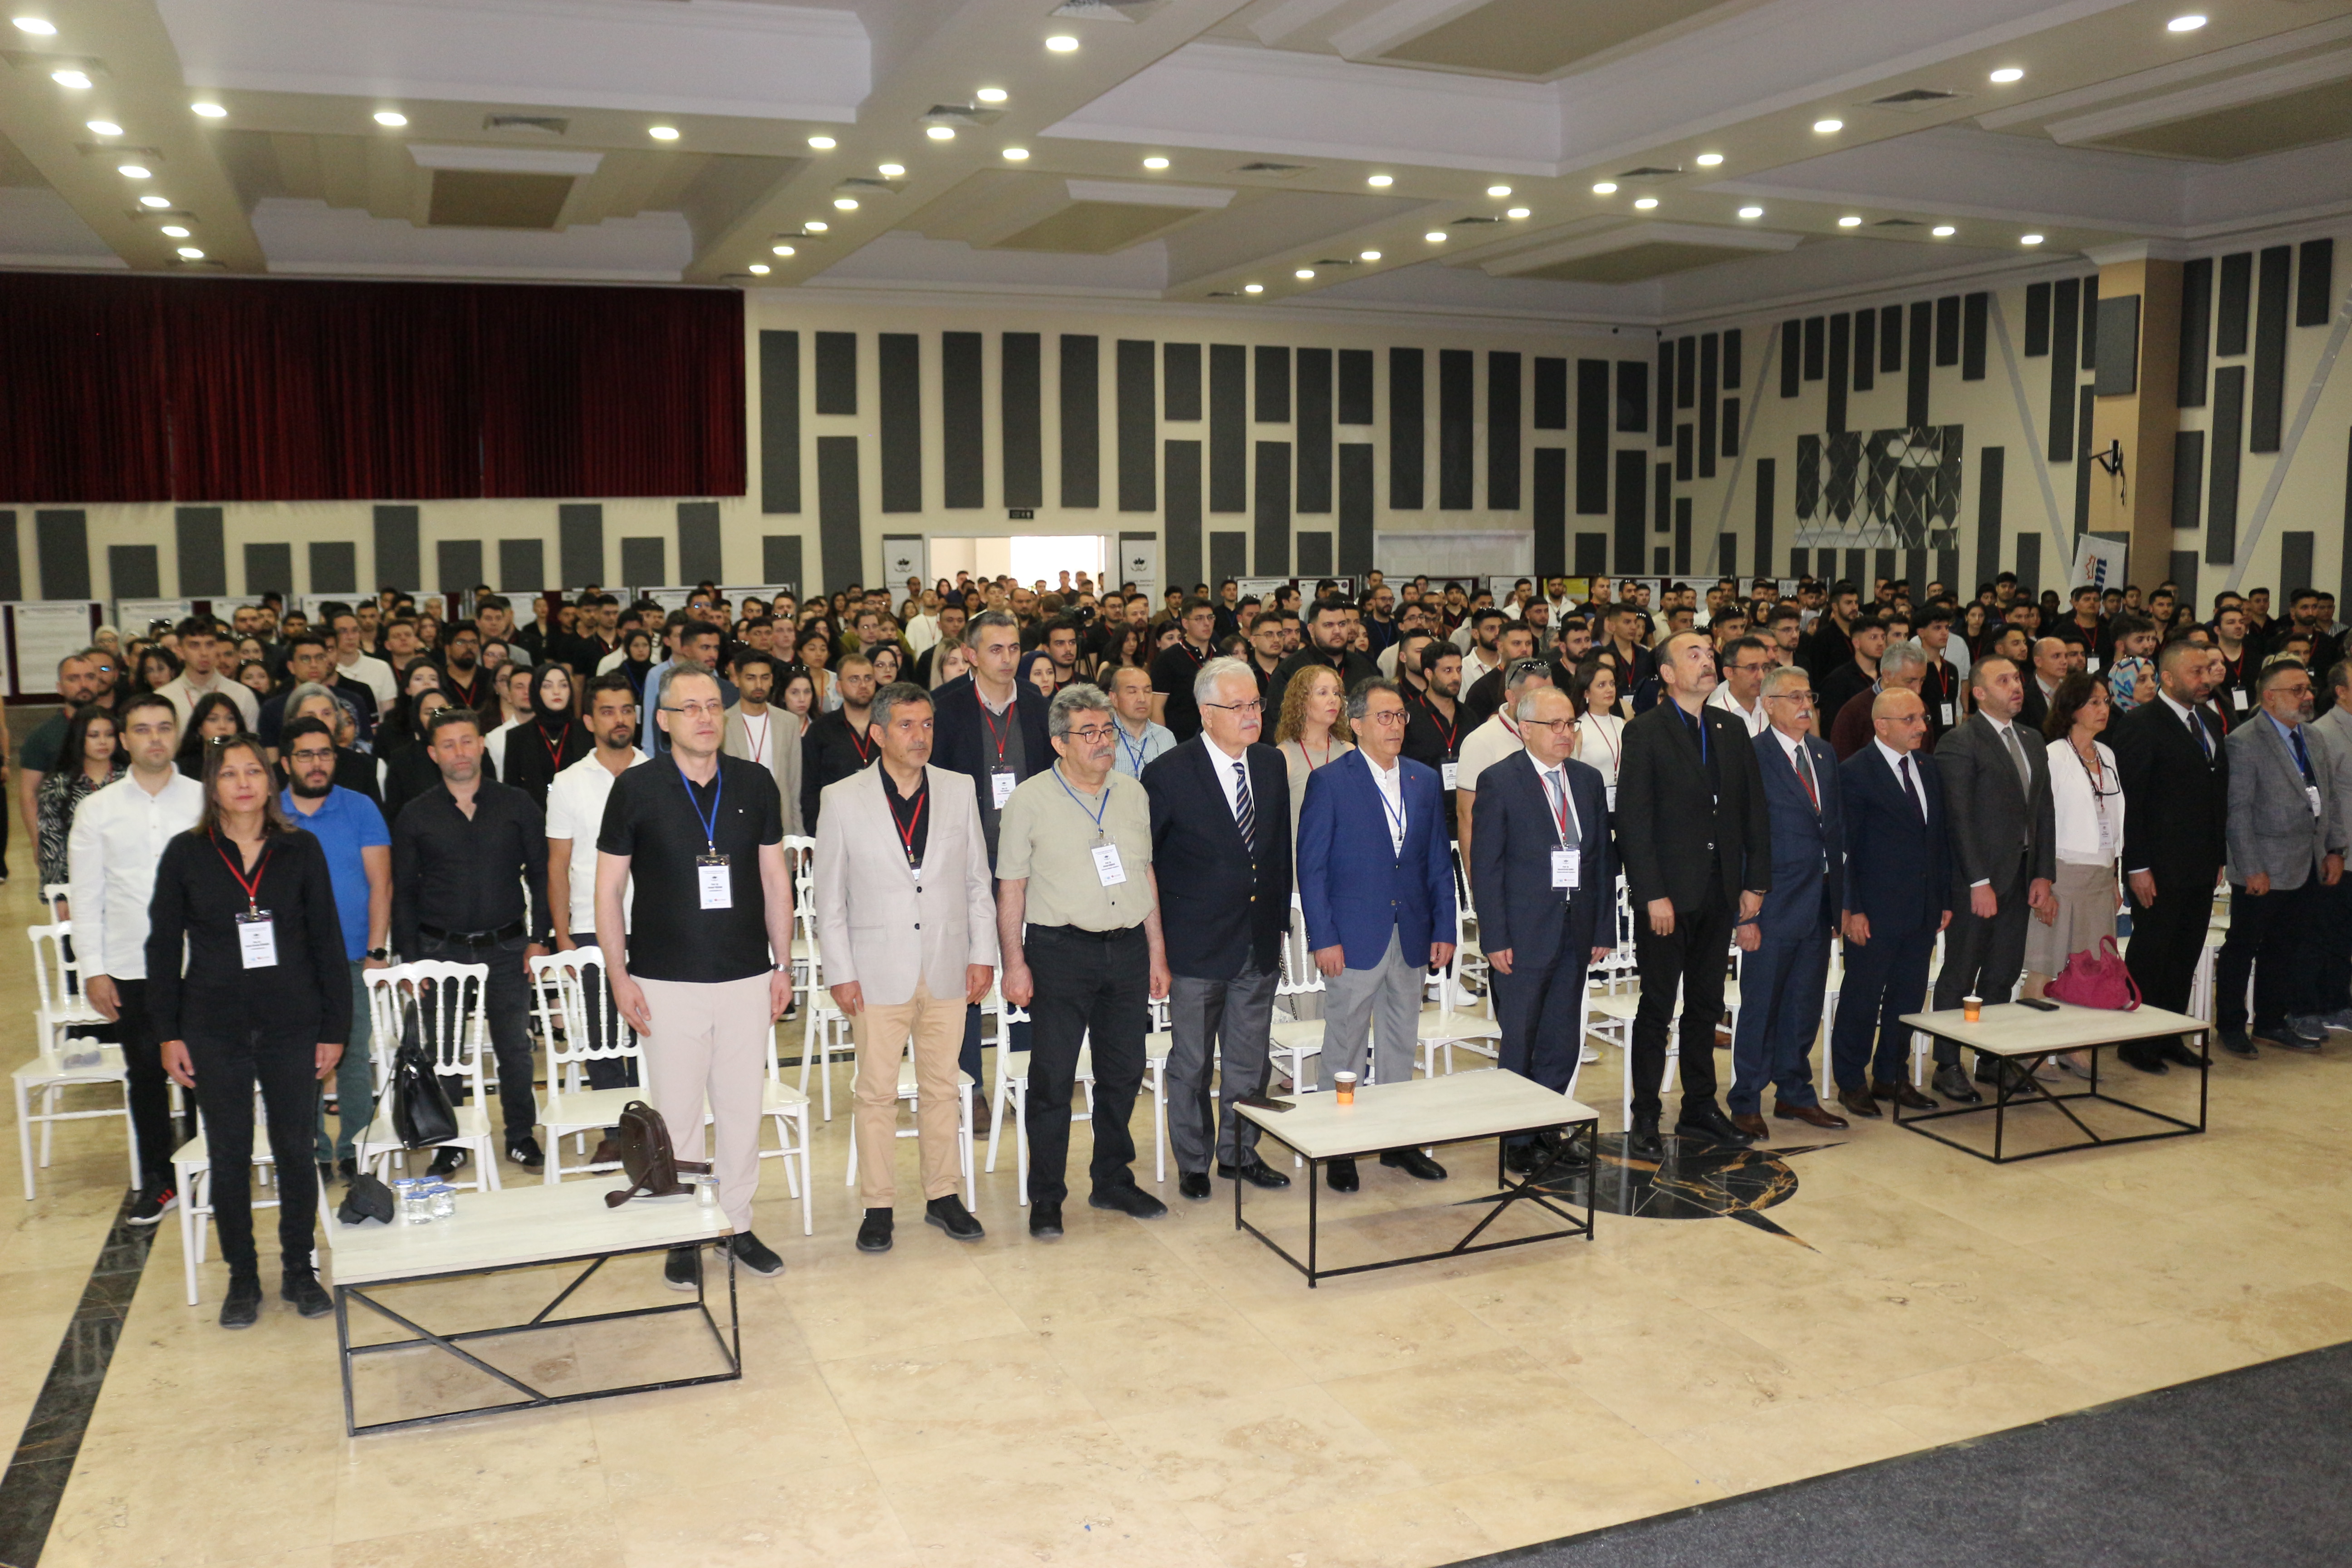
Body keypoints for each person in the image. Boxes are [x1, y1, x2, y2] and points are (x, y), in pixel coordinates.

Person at [597, 660, 794, 1286]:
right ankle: (682, 1231)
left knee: (740, 1111)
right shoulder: (636, 788)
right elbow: (608, 891)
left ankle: (735, 1223)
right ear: (663, 721)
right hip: (665, 981)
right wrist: (618, 975)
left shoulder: (755, 783)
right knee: (678, 1115)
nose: (706, 718)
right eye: (691, 708)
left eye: (713, 706)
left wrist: (784, 964)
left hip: (745, 977)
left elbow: (775, 879)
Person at [148, 735, 349, 1328]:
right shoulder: (186, 853)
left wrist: (334, 1028)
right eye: (230, 774)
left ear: (270, 781)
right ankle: (242, 1276)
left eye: (253, 772)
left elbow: (327, 940)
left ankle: (299, 1270)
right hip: (213, 1026)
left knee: (296, 1149)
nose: (243, 783)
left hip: (293, 1022)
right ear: (212, 787)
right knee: (229, 1152)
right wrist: (168, 1033)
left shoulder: (300, 848)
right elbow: (163, 948)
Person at [813, 681, 995, 1253]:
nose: (920, 737)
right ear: (878, 733)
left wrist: (982, 954)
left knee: (944, 1087)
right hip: (874, 970)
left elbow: (977, 882)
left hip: (947, 963)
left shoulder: (959, 788)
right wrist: (840, 972)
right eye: (907, 726)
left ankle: (944, 1195)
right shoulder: (842, 798)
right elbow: (829, 898)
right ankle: (878, 1205)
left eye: (927, 725)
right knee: (876, 1093)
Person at [995, 684, 1171, 1235]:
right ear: (1059, 742)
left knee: (1123, 1072)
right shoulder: (1029, 800)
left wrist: (1157, 952)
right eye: (1088, 732)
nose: (1102, 741)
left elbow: (1144, 873)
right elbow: (1012, 888)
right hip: (1060, 952)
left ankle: (1112, 1179)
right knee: (1052, 1078)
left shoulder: (1132, 793)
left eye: (1107, 730)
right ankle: (1047, 1195)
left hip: (1128, 948)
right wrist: (1014, 963)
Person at [1612, 630, 1771, 1156]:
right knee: (1657, 1007)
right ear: (1667, 673)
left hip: (1719, 891)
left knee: (1707, 1004)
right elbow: (1633, 820)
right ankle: (1645, 1113)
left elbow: (1753, 811)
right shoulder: (1646, 731)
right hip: (1668, 896)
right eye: (1694, 655)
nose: (1707, 661)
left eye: (1709, 653)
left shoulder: (1730, 728)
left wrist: (1754, 883)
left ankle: (1700, 1107)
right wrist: (1651, 893)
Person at [1294, 678, 1455, 1191]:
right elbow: (1312, 868)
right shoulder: (1330, 782)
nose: (1395, 725)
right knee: (1344, 1042)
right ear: (1357, 724)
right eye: (1384, 717)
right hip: (1352, 937)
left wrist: (1445, 926)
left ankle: (1396, 1141)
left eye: (1401, 716)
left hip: (1412, 932)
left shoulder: (1423, 780)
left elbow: (1437, 861)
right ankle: (1339, 1144)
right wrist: (1323, 938)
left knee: (1398, 1040)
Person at [1145, 657, 1293, 1199]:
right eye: (1238, 706)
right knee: (1191, 1063)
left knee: (1250, 1062)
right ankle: (1193, 1162)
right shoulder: (1168, 773)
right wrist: (1157, 949)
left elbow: (1276, 852)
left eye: (1256, 704)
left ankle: (1239, 1153)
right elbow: (1148, 863)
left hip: (1257, 940)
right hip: (1195, 946)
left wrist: (1275, 926)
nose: (1252, 715)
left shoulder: (1270, 764)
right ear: (1207, 714)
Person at [389, 705, 550, 1176]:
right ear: (433, 754)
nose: (459, 752)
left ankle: (520, 1135)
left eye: (466, 741)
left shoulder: (517, 804)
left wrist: (540, 938)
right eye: (448, 744)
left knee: (515, 1049)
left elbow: (542, 875)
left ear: (481, 744)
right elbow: (404, 892)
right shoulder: (415, 815)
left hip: (508, 947)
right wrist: (410, 961)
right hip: (440, 951)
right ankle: (449, 1142)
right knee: (444, 1053)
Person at [68, 693, 203, 1223]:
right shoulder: (97, 810)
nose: (154, 738)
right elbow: (86, 898)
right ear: (124, 740)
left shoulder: (204, 800)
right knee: (146, 1075)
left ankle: (210, 1171)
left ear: (177, 734)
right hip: (130, 965)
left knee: (208, 1072)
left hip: (201, 962)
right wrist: (93, 969)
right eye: (142, 730)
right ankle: (160, 1181)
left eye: (164, 727)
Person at [1470, 685, 1612, 1173]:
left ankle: (1549, 1128)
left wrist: (1603, 928)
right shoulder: (1500, 781)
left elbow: (1600, 860)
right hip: (1523, 935)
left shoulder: (1588, 781)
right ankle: (1517, 1139)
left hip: (1576, 931)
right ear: (1525, 729)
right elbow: (1487, 867)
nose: (1565, 733)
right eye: (1554, 725)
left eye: (1570, 723)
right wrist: (1494, 937)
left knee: (1561, 1040)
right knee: (1521, 1039)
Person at [1926, 655, 2057, 1099]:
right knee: (1961, 974)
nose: (2016, 687)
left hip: (2021, 876)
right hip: (1976, 882)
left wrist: (2043, 873)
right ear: (1979, 693)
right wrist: (1977, 881)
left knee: (2003, 973)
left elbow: (2043, 811)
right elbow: (1958, 819)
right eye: (2004, 681)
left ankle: (1991, 1060)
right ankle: (1947, 1064)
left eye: (2017, 679)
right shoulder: (1960, 742)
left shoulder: (2032, 739)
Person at [1733, 669, 1857, 1128]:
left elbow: (1836, 829)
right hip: (1771, 904)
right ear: (1769, 704)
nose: (1806, 705)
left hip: (1819, 900)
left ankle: (1794, 1093)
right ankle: (1746, 1100)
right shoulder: (1751, 755)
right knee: (1762, 1006)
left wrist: (1841, 899)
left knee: (1805, 1005)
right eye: (1795, 697)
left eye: (1809, 696)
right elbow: (1741, 837)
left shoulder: (1823, 753)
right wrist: (1745, 914)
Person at [1828, 690, 1951, 1117]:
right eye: (1910, 719)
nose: (1922, 726)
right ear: (1882, 726)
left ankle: (1890, 1075)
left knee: (1908, 997)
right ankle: (1851, 1080)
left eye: (1923, 717)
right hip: (1874, 911)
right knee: (1863, 998)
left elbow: (1938, 839)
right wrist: (1853, 908)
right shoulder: (1855, 773)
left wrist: (1943, 898)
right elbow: (1846, 849)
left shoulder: (1928, 768)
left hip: (1922, 907)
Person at [278, 716, 391, 1181]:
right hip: (290, 965)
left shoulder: (360, 807)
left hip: (353, 957)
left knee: (352, 1057)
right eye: (305, 755)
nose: (317, 763)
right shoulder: (270, 813)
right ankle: (312, 1151)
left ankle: (355, 1150)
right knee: (298, 1060)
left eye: (325, 753)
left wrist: (377, 952)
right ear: (286, 762)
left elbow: (381, 884)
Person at [2216, 659, 2345, 1052]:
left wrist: (2335, 849)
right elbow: (2238, 811)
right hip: (2263, 866)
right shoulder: (2245, 741)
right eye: (2297, 690)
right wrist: (2251, 868)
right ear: (2270, 697)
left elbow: (2329, 799)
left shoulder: (2314, 737)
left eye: (2308, 688)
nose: (2307, 696)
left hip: (2308, 862)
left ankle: (2270, 1022)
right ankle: (2231, 1026)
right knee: (2243, 947)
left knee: (2286, 947)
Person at [2113, 639, 2231, 1068]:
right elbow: (2132, 802)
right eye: (2195, 672)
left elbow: (2216, 793)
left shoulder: (2209, 721)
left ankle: (2169, 1035)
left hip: (2200, 863)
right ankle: (2136, 1042)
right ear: (2167, 678)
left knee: (2184, 953)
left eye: (2208, 670)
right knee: (2152, 954)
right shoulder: (2141, 724)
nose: (2205, 679)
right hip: (2158, 866)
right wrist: (2138, 866)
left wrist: (2218, 855)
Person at [544, 673, 647, 1158]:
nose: (619, 720)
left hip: (653, 921)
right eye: (608, 711)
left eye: (626, 710)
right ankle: (616, 1132)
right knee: (603, 1036)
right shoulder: (568, 782)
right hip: (589, 925)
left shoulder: (659, 773)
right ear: (589, 721)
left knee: (652, 1031)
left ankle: (653, 1128)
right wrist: (563, 935)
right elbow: (557, 865)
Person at [1455, 660, 1553, 872]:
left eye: (1550, 696)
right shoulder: (1481, 742)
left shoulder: (1558, 736)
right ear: (1511, 697)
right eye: (1536, 698)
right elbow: (1467, 818)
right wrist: (1475, 881)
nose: (1546, 707)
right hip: (1506, 864)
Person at [36, 705, 122, 894]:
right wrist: (59, 894)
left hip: (126, 881)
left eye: (109, 735)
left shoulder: (129, 779)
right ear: (79, 738)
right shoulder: (57, 785)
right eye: (94, 736)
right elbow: (51, 844)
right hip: (78, 883)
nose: (103, 742)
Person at [723, 651, 807, 838]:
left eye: (765, 677)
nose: (759, 685)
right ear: (737, 680)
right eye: (751, 678)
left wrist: (798, 836)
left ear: (772, 680)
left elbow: (794, 785)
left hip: (781, 820)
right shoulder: (723, 723)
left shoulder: (788, 722)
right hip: (736, 821)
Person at [1274, 663, 1353, 849]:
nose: (1333, 700)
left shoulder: (1349, 752)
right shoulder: (1284, 756)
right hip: (1299, 858)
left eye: (1336, 693)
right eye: (1323, 693)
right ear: (1301, 701)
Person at [798, 651, 878, 833]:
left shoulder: (888, 726)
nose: (863, 685)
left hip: (884, 824)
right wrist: (816, 832)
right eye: (854, 679)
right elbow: (809, 788)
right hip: (836, 826)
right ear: (839, 687)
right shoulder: (820, 730)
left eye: (868, 678)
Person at [497, 663, 589, 811]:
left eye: (563, 685)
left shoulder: (587, 732)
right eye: (547, 686)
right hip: (534, 818)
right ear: (536, 691)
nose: (557, 692)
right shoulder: (517, 737)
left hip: (580, 815)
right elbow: (511, 792)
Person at [1267, 598, 1380, 717]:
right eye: (1329, 625)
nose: (1337, 631)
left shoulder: (1365, 667)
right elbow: (1276, 721)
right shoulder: (1290, 670)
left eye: (1342, 624)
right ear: (1312, 630)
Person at [157, 617, 261, 733]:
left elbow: (252, 741)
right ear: (180, 651)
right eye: (195, 645)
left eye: (210, 645)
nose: (204, 653)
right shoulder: (164, 698)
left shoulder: (242, 695)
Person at [1828, 641, 1927, 760]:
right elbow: (1843, 763)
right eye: (1910, 681)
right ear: (1887, 675)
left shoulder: (1922, 709)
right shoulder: (1854, 712)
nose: (1918, 690)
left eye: (1922, 681)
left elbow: (1925, 759)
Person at [1149, 597, 1219, 741]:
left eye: (1210, 617)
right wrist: (1162, 743)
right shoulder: (1168, 658)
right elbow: (1157, 707)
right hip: (1180, 739)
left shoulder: (1222, 657)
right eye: (1199, 618)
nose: (1207, 623)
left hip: (1217, 736)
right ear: (1185, 623)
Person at [1106, 666, 1176, 778]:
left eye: (1147, 691)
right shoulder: (1103, 738)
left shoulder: (1166, 737)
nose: (1142, 699)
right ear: (1114, 698)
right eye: (1132, 692)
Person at [1573, 663, 1626, 808]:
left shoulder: (1623, 724)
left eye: (1612, 684)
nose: (1610, 690)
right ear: (1586, 693)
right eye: (1602, 685)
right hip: (1591, 803)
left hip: (1623, 802)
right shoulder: (1578, 729)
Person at [1706, 636, 1774, 738]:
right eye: (1752, 668)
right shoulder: (1712, 717)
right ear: (1729, 673)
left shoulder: (1774, 710)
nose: (1762, 676)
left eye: (1765, 668)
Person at [176, 692, 245, 778]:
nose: (223, 726)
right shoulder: (181, 769)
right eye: (213, 720)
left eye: (230, 719)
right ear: (200, 728)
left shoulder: (251, 762)